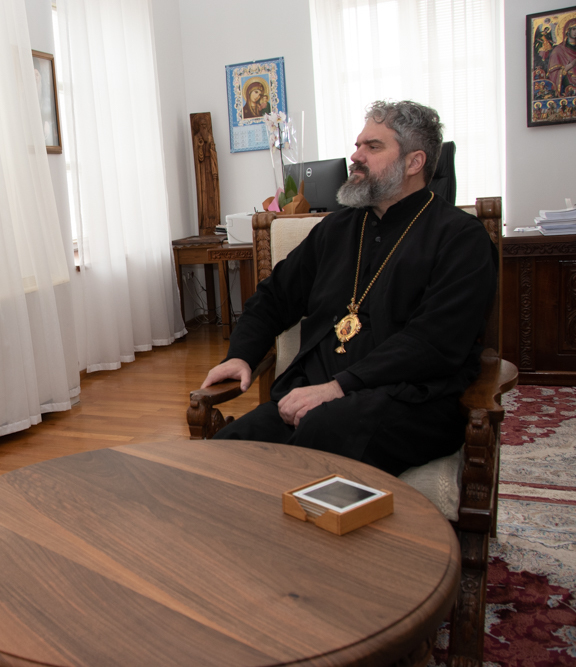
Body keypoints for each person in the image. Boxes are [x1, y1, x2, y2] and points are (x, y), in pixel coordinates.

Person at [202, 100, 497, 476]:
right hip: (312, 393)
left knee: (320, 435)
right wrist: (242, 354)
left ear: (414, 162)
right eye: (358, 145)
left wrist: (338, 387)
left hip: (410, 401)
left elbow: (432, 342)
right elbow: (275, 296)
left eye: (373, 146)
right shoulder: (337, 229)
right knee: (224, 452)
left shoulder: (460, 238)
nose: (355, 156)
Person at [548, 18, 576, 98]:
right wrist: (570, 66)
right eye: (574, 29)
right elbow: (554, 73)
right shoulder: (559, 50)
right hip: (568, 87)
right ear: (568, 30)